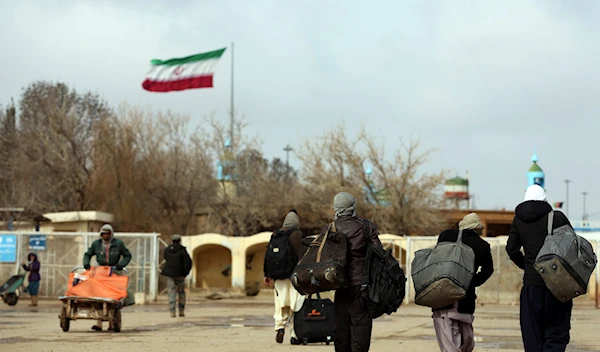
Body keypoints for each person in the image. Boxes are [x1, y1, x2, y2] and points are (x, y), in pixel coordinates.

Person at [506, 184, 573, 351]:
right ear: (545, 198)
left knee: (532, 333)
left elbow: (511, 249)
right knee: (557, 330)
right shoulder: (557, 218)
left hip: (531, 285)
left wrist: (527, 266)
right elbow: (572, 246)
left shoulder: (518, 220)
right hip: (558, 285)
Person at [432, 213, 494, 352]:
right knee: (466, 341)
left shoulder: (446, 236)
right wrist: (471, 282)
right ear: (478, 229)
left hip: (443, 297)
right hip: (465, 300)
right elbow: (488, 270)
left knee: (449, 343)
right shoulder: (483, 245)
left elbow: (435, 260)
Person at [329, 192, 382, 352]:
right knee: (361, 330)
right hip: (363, 286)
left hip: (341, 286)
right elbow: (379, 254)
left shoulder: (330, 229)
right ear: (353, 207)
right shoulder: (366, 227)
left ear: (336, 208)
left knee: (341, 331)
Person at [263, 209, 305, 344]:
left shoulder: (276, 235)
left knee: (280, 304)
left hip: (279, 277)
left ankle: (280, 328)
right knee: (296, 305)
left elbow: (267, 257)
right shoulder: (299, 235)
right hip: (295, 277)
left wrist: (267, 275)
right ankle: (295, 335)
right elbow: (304, 257)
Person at [83, 224, 132, 331]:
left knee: (113, 297)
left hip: (113, 272)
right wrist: (86, 264)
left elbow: (127, 255)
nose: (105, 235)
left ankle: (111, 322)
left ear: (111, 234)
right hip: (100, 272)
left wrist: (121, 265)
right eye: (103, 233)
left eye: (107, 233)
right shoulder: (96, 244)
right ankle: (99, 323)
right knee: (99, 296)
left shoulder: (118, 244)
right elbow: (87, 254)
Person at [161, 234, 192, 318]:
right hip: (180, 274)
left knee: (171, 292)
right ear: (180, 241)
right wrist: (185, 272)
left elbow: (166, 258)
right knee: (181, 292)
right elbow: (188, 262)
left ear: (172, 241)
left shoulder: (167, 250)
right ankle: (181, 311)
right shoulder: (183, 250)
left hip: (170, 274)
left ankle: (172, 312)